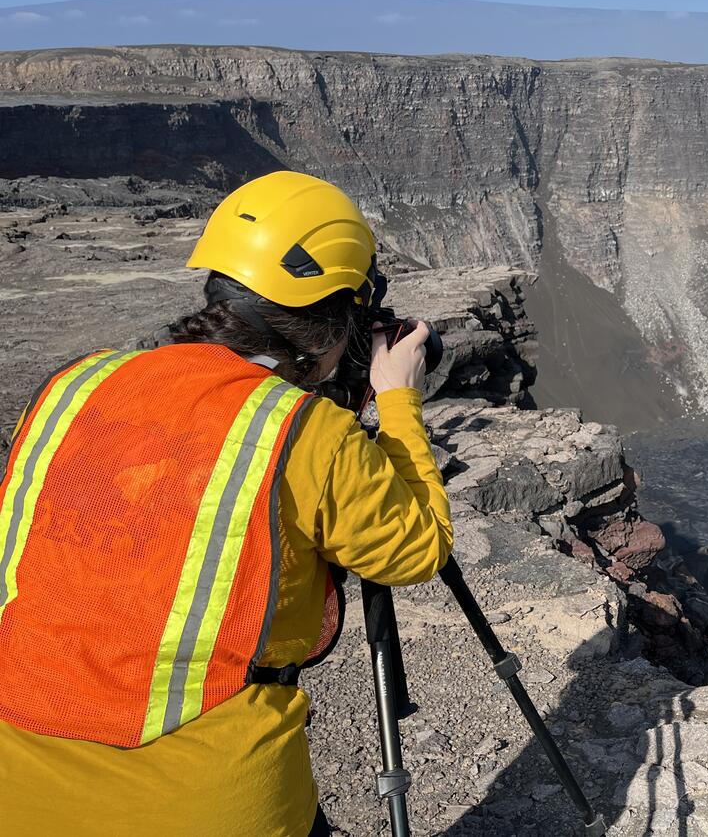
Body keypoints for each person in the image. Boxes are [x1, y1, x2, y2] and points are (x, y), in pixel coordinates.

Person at [0, 170, 453, 836]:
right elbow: (417, 549)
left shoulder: (72, 385)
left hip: (20, 787)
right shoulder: (306, 434)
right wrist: (396, 399)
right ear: (331, 324)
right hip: (207, 804)